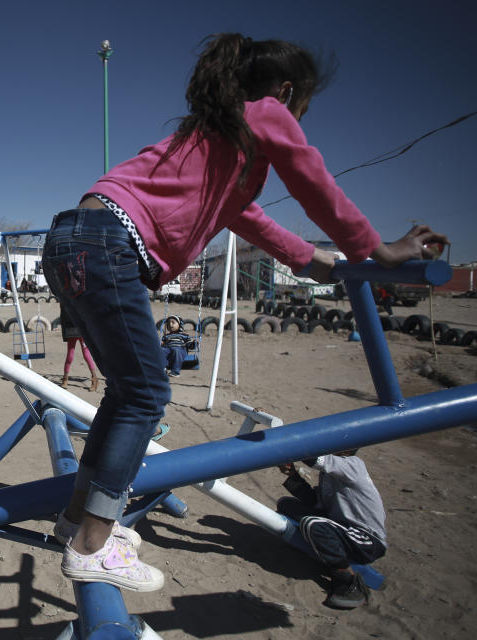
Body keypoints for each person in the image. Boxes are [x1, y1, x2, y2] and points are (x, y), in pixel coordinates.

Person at [41, 32, 447, 592]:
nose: (299, 119)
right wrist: (377, 250)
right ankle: (92, 542)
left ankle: (78, 522)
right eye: (302, 106)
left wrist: (318, 264)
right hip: (111, 242)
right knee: (147, 394)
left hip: (71, 235)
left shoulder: (214, 141)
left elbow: (253, 221)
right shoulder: (264, 114)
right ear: (285, 92)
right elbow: (314, 183)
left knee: (126, 389)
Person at [277, 451, 387, 609]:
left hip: (367, 540)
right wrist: (293, 474)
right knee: (286, 504)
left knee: (312, 524)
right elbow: (316, 503)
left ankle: (347, 581)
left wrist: (287, 445)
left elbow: (313, 458)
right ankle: (321, 548)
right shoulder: (328, 474)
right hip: (341, 527)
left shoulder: (353, 465)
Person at [59, 304, 99, 391]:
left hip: (82, 329)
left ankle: (94, 378)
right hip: (71, 329)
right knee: (70, 355)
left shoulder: (78, 298)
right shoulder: (64, 301)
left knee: (86, 354)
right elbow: (63, 318)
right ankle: (65, 378)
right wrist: (64, 334)